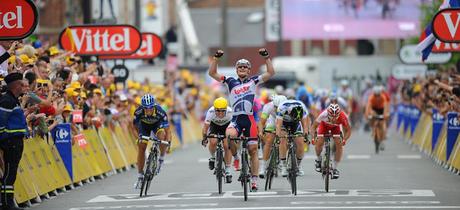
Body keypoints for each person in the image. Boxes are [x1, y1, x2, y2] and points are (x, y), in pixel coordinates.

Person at [208, 48, 275, 191]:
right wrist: (216, 59)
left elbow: (270, 73)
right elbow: (212, 73)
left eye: (245, 67)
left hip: (249, 119)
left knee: (253, 150)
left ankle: (255, 180)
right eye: (240, 67)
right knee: (229, 136)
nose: (242, 69)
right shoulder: (230, 81)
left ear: (249, 70)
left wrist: (266, 57)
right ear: (236, 70)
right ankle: (236, 157)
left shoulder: (253, 80)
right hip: (236, 119)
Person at [0, 72, 27, 210]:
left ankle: (7, 202)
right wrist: (4, 139)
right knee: (9, 173)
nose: (24, 87)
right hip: (10, 142)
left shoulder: (13, 99)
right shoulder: (7, 100)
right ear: (16, 85)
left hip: (15, 141)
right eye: (22, 84)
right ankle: (6, 203)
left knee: (11, 173)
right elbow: (1, 122)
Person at [133, 94, 171, 189]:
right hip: (144, 126)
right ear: (142, 107)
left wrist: (168, 143)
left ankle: (161, 158)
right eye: (146, 108)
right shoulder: (138, 112)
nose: (148, 110)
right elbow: (134, 127)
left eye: (150, 108)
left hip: (157, 125)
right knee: (141, 147)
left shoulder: (160, 112)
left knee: (162, 137)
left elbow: (168, 130)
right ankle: (140, 176)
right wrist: (138, 137)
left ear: (154, 106)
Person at [310, 103, 351, 179]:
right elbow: (313, 127)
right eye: (332, 116)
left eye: (336, 117)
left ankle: (335, 168)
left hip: (335, 128)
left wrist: (345, 139)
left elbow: (348, 130)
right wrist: (313, 137)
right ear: (328, 113)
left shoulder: (342, 116)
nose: (333, 119)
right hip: (324, 126)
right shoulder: (323, 114)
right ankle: (318, 160)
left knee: (339, 145)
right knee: (319, 142)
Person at [201, 97, 233, 183]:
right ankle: (212, 157)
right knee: (213, 141)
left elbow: (234, 127)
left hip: (227, 126)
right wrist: (204, 138)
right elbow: (205, 127)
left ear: (226, 109)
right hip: (215, 126)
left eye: (222, 111)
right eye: (217, 111)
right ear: (214, 109)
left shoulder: (230, 112)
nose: (220, 113)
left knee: (227, 145)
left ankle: (228, 169)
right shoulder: (210, 112)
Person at [275, 99, 310, 177]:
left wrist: (306, 135)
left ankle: (299, 165)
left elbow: (305, 124)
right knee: (282, 140)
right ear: (289, 112)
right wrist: (278, 136)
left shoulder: (302, 108)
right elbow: (278, 125)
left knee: (300, 142)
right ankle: (283, 165)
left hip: (296, 123)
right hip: (284, 123)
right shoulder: (282, 108)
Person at [258, 95, 287, 178]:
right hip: (273, 121)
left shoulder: (287, 107)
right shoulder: (268, 106)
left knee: (283, 139)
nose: (278, 110)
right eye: (276, 107)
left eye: (279, 108)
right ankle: (263, 166)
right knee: (269, 140)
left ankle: (283, 164)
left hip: (284, 122)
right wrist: (260, 132)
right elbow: (262, 122)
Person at [364, 86, 389, 152]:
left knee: (382, 123)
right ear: (374, 94)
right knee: (372, 115)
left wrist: (385, 114)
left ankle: (382, 139)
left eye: (378, 95)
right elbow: (368, 107)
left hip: (381, 109)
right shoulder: (371, 97)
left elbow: (386, 107)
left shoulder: (383, 97)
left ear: (380, 94)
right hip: (374, 109)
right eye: (376, 95)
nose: (377, 97)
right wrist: (367, 115)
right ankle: (373, 128)